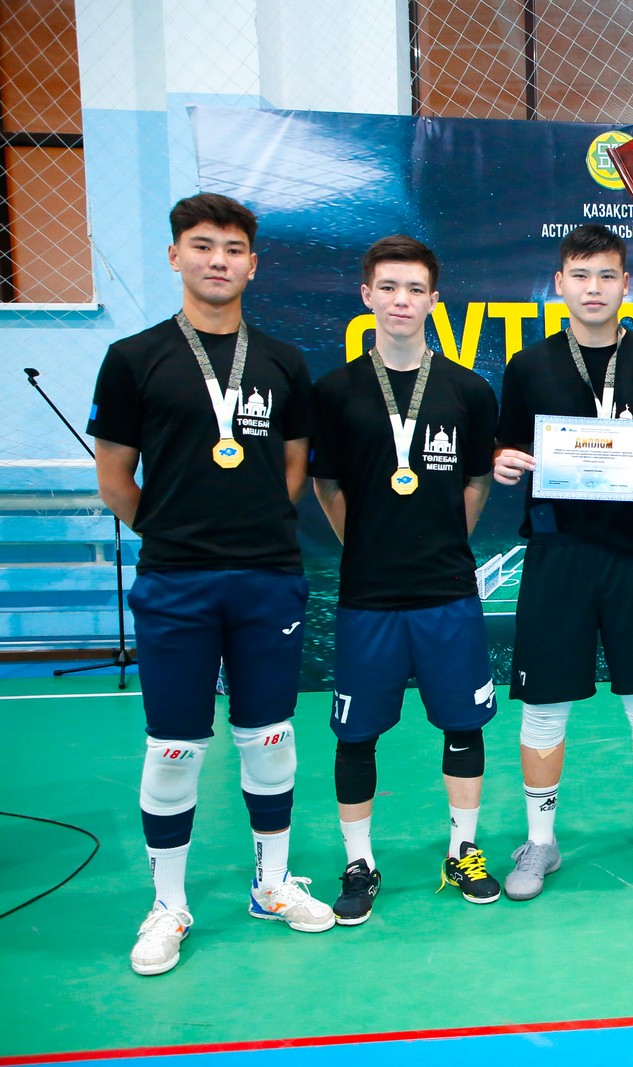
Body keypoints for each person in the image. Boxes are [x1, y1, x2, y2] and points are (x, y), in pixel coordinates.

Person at [89, 193, 333, 976]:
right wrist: (176, 533)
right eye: (202, 245)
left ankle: (271, 884)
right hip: (176, 581)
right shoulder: (134, 358)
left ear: (253, 264)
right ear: (175, 256)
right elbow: (115, 479)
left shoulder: (283, 361)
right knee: (173, 748)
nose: (218, 260)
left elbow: (292, 468)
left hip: (267, 578)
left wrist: (249, 529)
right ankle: (168, 904)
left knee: (270, 738)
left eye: (232, 248)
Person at [492, 224, 633, 898]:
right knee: (544, 705)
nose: (594, 288)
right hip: (558, 552)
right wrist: (504, 461)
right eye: (580, 275)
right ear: (560, 284)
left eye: (607, 275)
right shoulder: (528, 365)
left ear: (625, 284)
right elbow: (505, 446)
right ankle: (540, 842)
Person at [309, 236, 500, 922]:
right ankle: (360, 861)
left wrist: (444, 541)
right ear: (367, 296)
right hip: (369, 596)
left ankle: (463, 849)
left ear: (433, 300)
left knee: (463, 727)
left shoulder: (468, 390)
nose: (401, 300)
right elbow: (327, 484)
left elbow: (477, 482)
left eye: (415, 289)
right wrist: (366, 547)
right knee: (355, 736)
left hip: (447, 592)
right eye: (388, 287)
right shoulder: (335, 392)